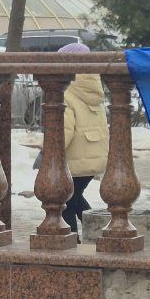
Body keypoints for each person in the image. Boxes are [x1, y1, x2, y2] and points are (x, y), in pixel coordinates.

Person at [58, 42, 109, 234]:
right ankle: (98, 231)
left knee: (65, 203)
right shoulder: (93, 88)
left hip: (74, 161)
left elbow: (63, 132)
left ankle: (71, 243)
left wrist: (48, 152)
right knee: (75, 198)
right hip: (93, 159)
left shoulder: (67, 91)